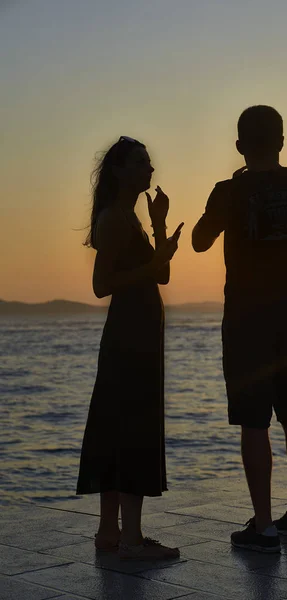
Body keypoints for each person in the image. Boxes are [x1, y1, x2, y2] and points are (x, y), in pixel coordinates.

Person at [192, 106, 287, 553]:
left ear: (239, 146)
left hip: (248, 318)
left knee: (254, 420)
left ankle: (265, 525)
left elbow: (198, 240)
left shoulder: (228, 190)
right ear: (283, 141)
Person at [76, 135, 184, 561]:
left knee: (115, 427)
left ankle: (110, 534)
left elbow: (163, 277)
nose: (150, 169)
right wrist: (152, 264)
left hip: (138, 333)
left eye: (150, 162)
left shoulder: (131, 217)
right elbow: (102, 285)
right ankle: (132, 540)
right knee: (131, 428)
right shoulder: (114, 220)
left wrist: (158, 225)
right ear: (120, 170)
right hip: (129, 336)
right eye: (141, 162)